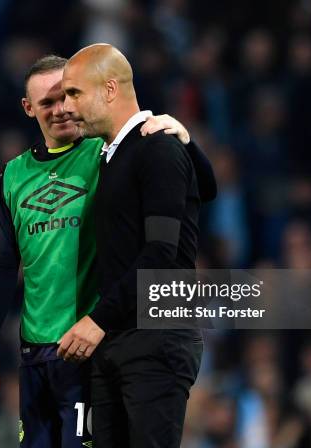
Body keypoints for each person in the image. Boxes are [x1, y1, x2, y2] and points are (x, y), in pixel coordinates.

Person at [0, 55, 215, 447]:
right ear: (27, 108)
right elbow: (0, 264)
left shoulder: (106, 152)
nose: (63, 108)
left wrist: (184, 138)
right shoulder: (13, 175)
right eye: (50, 101)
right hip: (37, 353)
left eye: (69, 94)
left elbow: (193, 192)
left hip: (91, 342)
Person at [59, 44, 212, 447]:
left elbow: (161, 254)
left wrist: (98, 319)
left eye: (74, 93)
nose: (66, 106)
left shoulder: (157, 149)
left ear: (110, 90)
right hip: (118, 339)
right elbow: (205, 188)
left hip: (154, 337)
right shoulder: (115, 155)